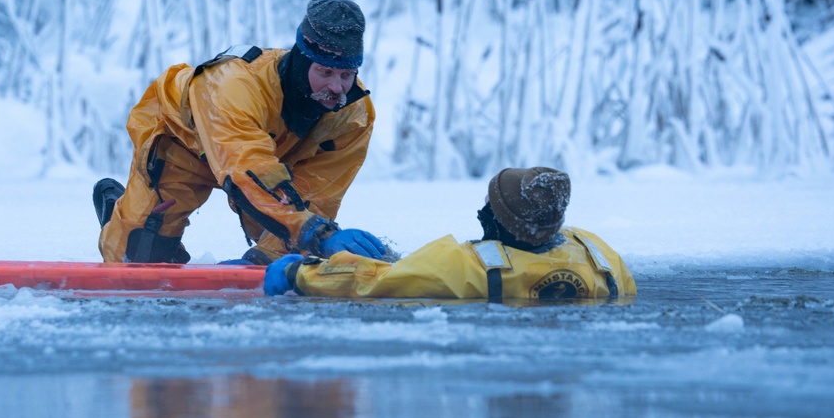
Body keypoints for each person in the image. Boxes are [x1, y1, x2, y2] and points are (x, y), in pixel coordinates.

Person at [94, 0, 386, 265]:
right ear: (302, 61)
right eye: (325, 72)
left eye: (346, 75)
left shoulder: (353, 116)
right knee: (138, 255)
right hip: (184, 141)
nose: (337, 89)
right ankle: (121, 213)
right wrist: (318, 234)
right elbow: (246, 167)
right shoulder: (234, 85)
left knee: (285, 248)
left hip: (271, 162)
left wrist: (265, 260)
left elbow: (319, 194)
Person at [263, 167, 636, 301]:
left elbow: (373, 282)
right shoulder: (596, 252)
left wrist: (300, 271)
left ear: (501, 220)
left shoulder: (461, 267)